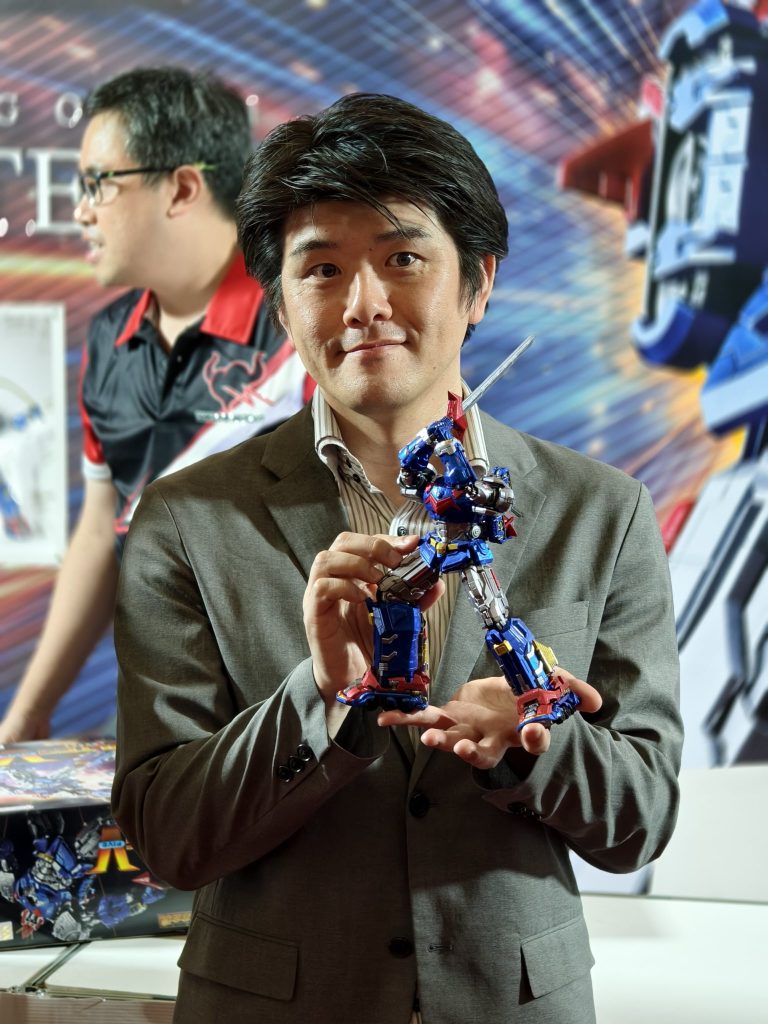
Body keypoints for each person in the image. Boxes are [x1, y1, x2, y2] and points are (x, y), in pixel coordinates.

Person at [112, 94, 683, 1024]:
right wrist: (321, 698)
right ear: (281, 305)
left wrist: (533, 748)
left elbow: (642, 819)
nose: (364, 304)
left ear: (478, 284)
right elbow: (166, 838)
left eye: (403, 259)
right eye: (322, 269)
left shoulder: (602, 513)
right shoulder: (185, 521)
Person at [0, 67, 308, 744]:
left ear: (183, 187)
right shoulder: (109, 338)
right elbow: (102, 529)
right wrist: (27, 713)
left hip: (296, 717)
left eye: (98, 184)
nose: (81, 210)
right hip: (161, 709)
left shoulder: (299, 323)